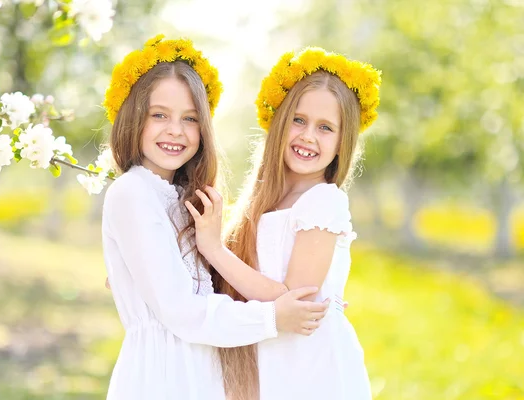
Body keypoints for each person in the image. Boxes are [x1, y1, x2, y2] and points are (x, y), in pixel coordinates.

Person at [101, 35, 331, 400]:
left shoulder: (183, 199)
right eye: (159, 115)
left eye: (190, 118)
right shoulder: (132, 193)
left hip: (200, 373)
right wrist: (272, 318)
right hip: (162, 379)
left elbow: (199, 289)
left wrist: (319, 301)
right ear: (133, 118)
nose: (175, 129)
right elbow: (180, 311)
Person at [186, 47, 381, 399]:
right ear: (280, 122)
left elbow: (295, 300)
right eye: (299, 120)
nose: (308, 136)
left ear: (342, 142)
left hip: (311, 364)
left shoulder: (324, 199)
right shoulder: (261, 202)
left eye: (325, 128)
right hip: (270, 353)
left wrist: (214, 249)